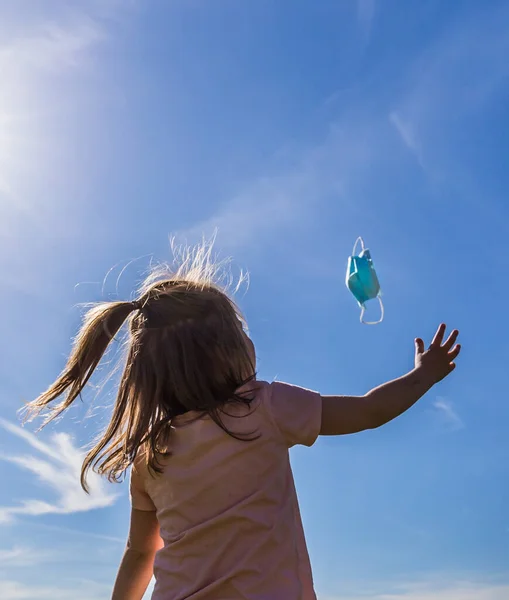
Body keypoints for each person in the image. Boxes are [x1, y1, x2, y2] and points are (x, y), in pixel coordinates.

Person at [24, 246, 461, 600]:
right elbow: (368, 412)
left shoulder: (151, 453)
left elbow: (140, 551)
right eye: (240, 329)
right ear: (223, 351)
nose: (250, 338)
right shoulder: (265, 406)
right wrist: (424, 374)